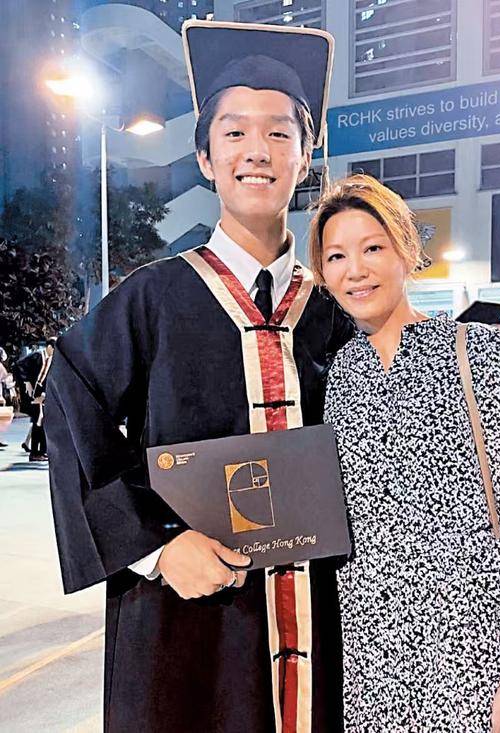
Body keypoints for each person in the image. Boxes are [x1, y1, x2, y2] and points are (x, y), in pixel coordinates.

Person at [46, 21, 353, 733]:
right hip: (190, 619)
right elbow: (69, 401)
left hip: (323, 615)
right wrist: (155, 545)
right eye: (235, 132)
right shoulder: (153, 298)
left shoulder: (334, 312)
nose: (257, 150)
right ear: (206, 158)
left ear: (306, 155)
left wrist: (485, 406)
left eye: (279, 133)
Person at [310, 175, 500, 732]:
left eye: (372, 248)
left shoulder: (475, 351)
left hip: (472, 649)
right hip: (371, 652)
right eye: (336, 256)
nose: (355, 270)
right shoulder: (340, 376)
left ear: (406, 251)